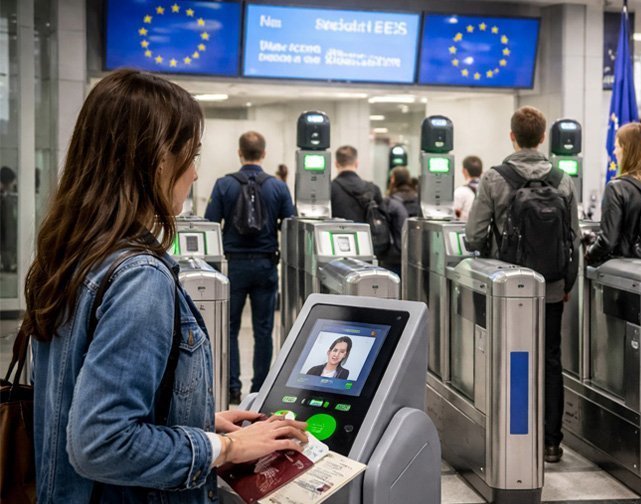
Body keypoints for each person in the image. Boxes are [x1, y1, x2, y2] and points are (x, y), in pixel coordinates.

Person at [25, 69, 307, 503]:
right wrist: (227, 447)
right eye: (189, 155)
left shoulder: (69, 256)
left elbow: (77, 404)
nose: (194, 173)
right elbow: (102, 443)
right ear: (156, 159)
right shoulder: (139, 278)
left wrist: (198, 420)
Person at [465, 106, 580, 463]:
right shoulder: (562, 179)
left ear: (512, 136)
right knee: (550, 360)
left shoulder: (494, 178)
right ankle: (551, 442)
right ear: (544, 137)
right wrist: (565, 285)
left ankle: (512, 434)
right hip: (551, 287)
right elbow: (574, 238)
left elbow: (473, 235)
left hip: (508, 290)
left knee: (509, 356)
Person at [205, 132, 295, 404]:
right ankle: (260, 388)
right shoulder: (278, 187)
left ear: (239, 153)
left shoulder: (224, 185)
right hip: (266, 264)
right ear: (264, 154)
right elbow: (290, 223)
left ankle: (232, 386)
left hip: (233, 266)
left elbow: (210, 224)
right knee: (264, 329)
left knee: (229, 327)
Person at [584, 123, 641, 262]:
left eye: (616, 147)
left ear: (627, 150)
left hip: (626, 273)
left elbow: (608, 241)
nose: (614, 152)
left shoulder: (617, 188)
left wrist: (588, 255)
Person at [330, 145, 384, 223]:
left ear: (336, 164)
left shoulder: (329, 189)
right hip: (368, 234)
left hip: (338, 234)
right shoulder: (373, 189)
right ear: (356, 163)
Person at [454, 155, 482, 222]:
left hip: (465, 230)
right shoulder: (489, 190)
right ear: (481, 172)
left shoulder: (460, 192)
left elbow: (454, 215)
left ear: (464, 171)